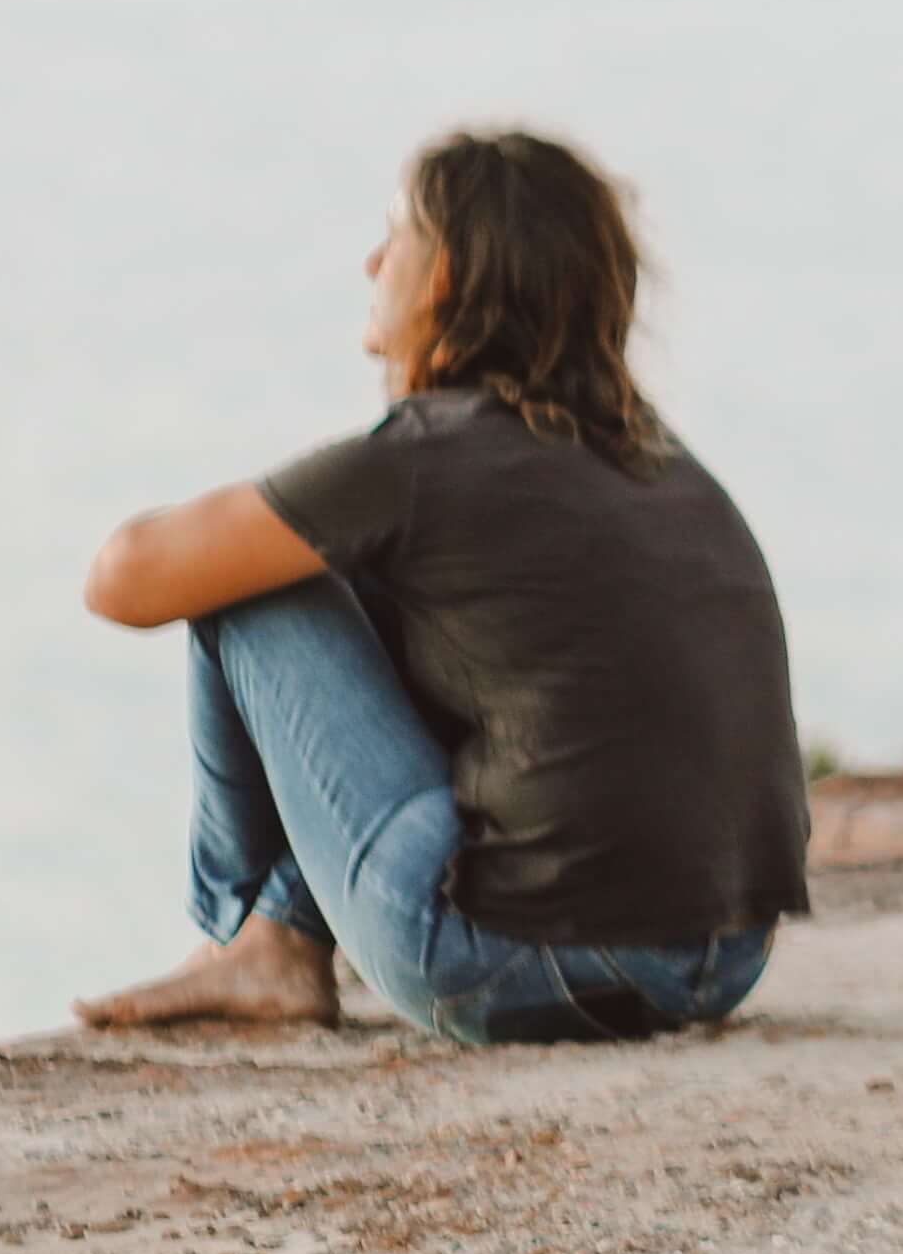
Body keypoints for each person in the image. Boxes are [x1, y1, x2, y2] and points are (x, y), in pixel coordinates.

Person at [74, 131, 809, 1045]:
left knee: (254, 588)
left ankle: (256, 944)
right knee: (408, 595)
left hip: (509, 960)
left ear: (448, 279)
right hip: (722, 959)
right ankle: (274, 935)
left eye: (395, 240)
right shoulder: (663, 464)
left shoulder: (424, 459)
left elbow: (126, 580)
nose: (372, 263)